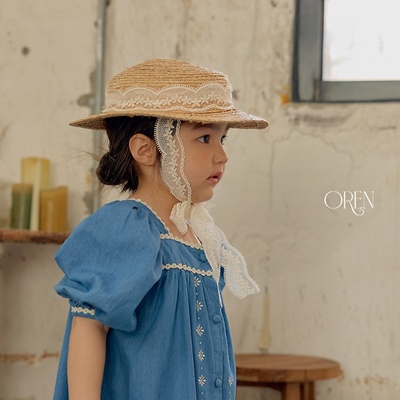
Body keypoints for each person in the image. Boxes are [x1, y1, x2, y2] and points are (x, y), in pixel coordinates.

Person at [53, 58, 268, 400]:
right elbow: (91, 326)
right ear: (146, 150)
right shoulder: (128, 227)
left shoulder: (197, 236)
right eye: (204, 138)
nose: (222, 155)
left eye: (223, 139)